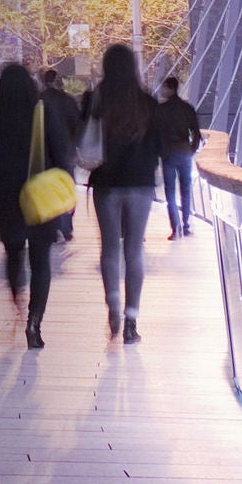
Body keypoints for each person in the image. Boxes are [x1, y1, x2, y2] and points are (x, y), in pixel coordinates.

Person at [0, 62, 73, 349]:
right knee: (41, 261)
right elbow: (61, 153)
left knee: (14, 253)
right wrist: (66, 195)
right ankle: (35, 322)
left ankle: (17, 298)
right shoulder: (42, 112)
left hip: (8, 197)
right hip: (41, 196)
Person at [84, 43, 162, 343]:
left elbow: (84, 139)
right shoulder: (147, 103)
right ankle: (131, 319)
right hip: (140, 184)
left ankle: (112, 302)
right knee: (134, 249)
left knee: (109, 247)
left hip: (106, 183)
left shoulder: (95, 99)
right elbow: (159, 147)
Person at [154, 76, 202, 240]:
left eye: (163, 87)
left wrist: (160, 152)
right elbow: (196, 133)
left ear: (169, 88)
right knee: (186, 190)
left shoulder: (161, 110)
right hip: (184, 151)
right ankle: (187, 225)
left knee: (170, 192)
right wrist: (192, 150)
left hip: (168, 153)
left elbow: (156, 134)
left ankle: (176, 228)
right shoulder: (187, 108)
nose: (161, 90)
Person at [38, 68, 81, 242]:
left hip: (44, 154)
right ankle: (66, 225)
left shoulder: (38, 100)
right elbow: (77, 126)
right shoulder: (68, 100)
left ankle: (52, 225)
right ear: (57, 80)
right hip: (65, 152)